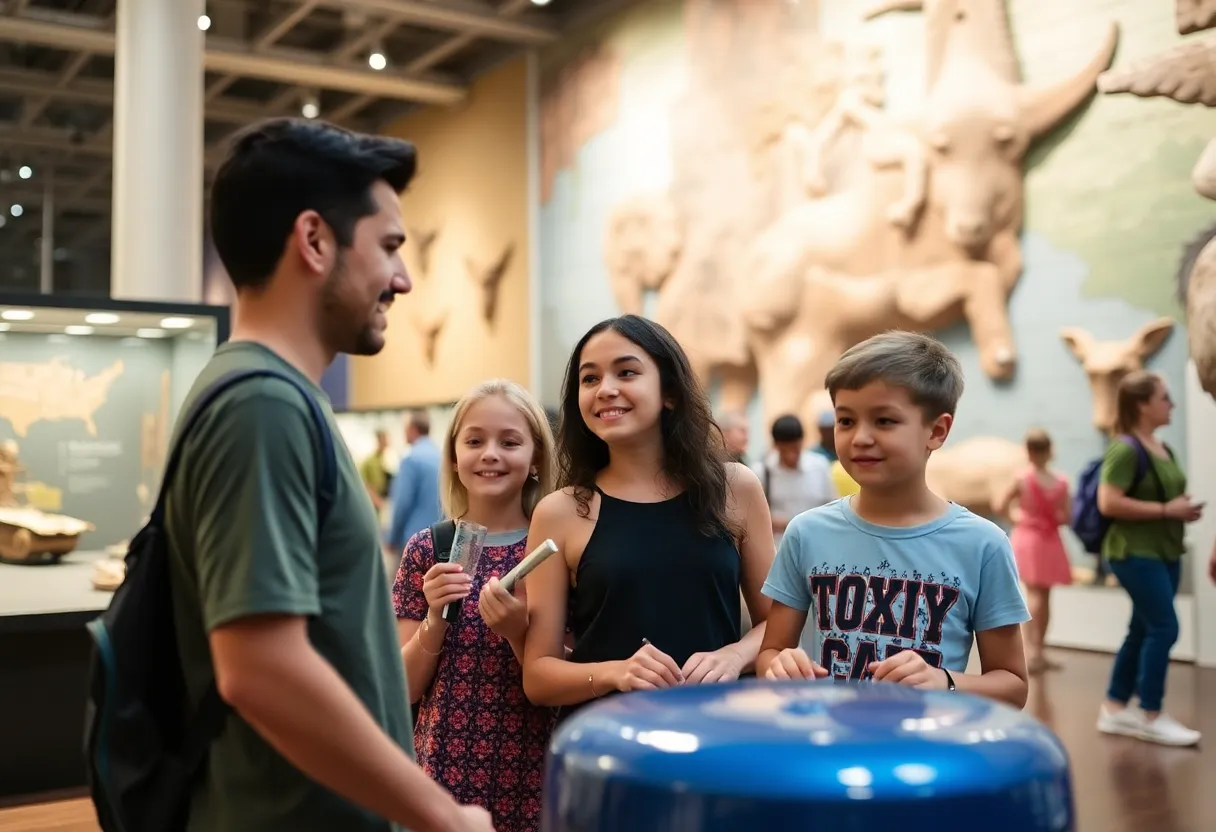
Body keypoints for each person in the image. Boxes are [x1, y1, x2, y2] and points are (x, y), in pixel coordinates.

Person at [166, 118, 492, 832]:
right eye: (389, 247)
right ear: (315, 240)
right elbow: (259, 668)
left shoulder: (271, 397)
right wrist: (441, 815)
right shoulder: (261, 404)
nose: (402, 279)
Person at [756, 331, 1031, 709]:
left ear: (936, 431)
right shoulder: (807, 532)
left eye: (884, 421)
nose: (860, 438)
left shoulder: (983, 544)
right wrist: (780, 665)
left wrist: (944, 680)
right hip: (828, 749)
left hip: (926, 754)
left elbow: (1013, 685)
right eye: (846, 421)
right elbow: (771, 651)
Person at [520, 315, 776, 718]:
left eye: (626, 372)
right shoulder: (560, 511)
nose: (605, 389)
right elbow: (538, 676)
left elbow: (777, 625)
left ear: (669, 392)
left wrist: (733, 656)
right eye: (589, 379)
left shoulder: (736, 487)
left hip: (716, 733)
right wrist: (616, 674)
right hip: (610, 746)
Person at [394, 379, 557, 831]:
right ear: (453, 456)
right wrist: (435, 617)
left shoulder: (553, 548)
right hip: (442, 776)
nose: (490, 454)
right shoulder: (427, 548)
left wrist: (518, 631)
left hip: (535, 772)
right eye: (474, 441)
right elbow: (401, 689)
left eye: (509, 442)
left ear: (537, 458)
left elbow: (565, 671)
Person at [1096, 370, 1203, 747]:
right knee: (1165, 628)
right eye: (1164, 398)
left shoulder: (1162, 447)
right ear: (1142, 405)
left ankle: (1114, 707)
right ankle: (1151, 714)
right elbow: (1108, 502)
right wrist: (1166, 510)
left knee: (1142, 628)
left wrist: (1178, 510)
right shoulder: (1125, 448)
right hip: (1134, 554)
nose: (1171, 404)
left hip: (1164, 551)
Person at [997, 428, 1073, 675]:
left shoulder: (1022, 479)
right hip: (1050, 539)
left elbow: (1000, 505)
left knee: (1034, 595)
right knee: (1045, 596)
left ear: (1027, 450)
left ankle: (1033, 651)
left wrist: (1018, 517)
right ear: (1050, 450)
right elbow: (1066, 516)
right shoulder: (1061, 481)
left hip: (1028, 538)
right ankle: (1038, 649)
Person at [753, 414, 836, 547]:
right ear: (776, 445)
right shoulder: (762, 472)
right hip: (779, 547)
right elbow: (753, 518)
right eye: (785, 450)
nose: (791, 456)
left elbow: (833, 507)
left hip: (817, 543)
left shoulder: (819, 466)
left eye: (795, 449)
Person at [387, 409, 443, 552]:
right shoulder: (441, 457)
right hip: (440, 539)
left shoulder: (410, 459)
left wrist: (392, 539)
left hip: (413, 542)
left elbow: (402, 503)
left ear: (412, 429)